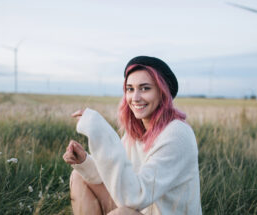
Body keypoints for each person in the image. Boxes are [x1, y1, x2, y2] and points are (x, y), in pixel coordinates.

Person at [63, 56, 202, 215]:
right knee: (80, 176)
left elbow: (133, 197)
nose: (135, 98)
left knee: (122, 213)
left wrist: (101, 132)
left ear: (162, 92)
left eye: (145, 88)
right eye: (130, 89)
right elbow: (115, 178)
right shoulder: (134, 135)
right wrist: (84, 161)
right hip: (140, 210)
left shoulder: (177, 134)